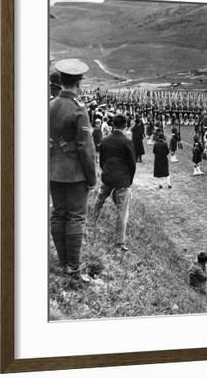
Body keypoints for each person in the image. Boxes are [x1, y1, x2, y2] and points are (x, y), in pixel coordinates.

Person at [49, 59, 96, 281]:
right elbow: (85, 147)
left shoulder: (49, 105)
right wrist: (92, 177)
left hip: (53, 171)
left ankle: (62, 262)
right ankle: (73, 268)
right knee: (76, 217)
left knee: (59, 214)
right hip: (75, 174)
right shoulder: (79, 110)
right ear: (79, 82)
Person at [91, 113, 136, 252]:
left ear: (112, 125)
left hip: (108, 176)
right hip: (122, 179)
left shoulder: (105, 141)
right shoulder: (127, 142)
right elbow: (132, 164)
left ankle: (91, 224)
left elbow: (102, 160)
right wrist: (129, 180)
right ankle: (119, 242)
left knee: (99, 201)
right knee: (122, 211)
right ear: (125, 126)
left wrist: (106, 172)